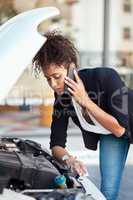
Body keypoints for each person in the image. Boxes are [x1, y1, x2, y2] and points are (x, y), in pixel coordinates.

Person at [33, 31, 132, 200]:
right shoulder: (62, 96)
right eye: (48, 79)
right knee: (107, 191)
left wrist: (85, 100)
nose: (53, 84)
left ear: (71, 67)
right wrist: (69, 160)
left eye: (57, 77)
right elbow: (56, 143)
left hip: (120, 127)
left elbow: (119, 129)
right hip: (110, 134)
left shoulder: (105, 77)